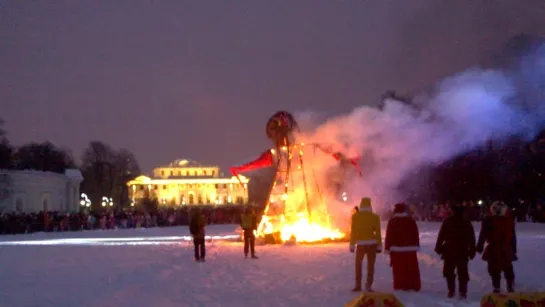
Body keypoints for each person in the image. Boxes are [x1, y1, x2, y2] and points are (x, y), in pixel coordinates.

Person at [435, 203, 476, 299]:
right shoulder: (466, 223)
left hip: (450, 250)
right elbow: (472, 239)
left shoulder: (448, 222)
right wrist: (472, 250)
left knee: (449, 272)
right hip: (462, 251)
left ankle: (451, 290)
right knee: (462, 272)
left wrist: (438, 247)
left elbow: (441, 236)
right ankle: (462, 292)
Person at [476, 201, 515, 293]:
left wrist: (479, 246)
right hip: (503, 249)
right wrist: (513, 248)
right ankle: (507, 288)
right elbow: (513, 236)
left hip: (496, 249)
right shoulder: (508, 221)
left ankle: (501, 288)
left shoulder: (489, 220)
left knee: (497, 269)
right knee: (505, 269)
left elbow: (483, 234)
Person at [385, 203, 421, 292]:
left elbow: (389, 235)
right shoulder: (410, 220)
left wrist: (387, 247)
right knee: (411, 268)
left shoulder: (392, 221)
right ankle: (413, 285)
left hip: (397, 249)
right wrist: (416, 244)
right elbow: (415, 233)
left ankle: (400, 285)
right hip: (410, 248)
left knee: (399, 269)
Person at [349, 197, 382, 292]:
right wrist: (379, 245)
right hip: (372, 244)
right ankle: (368, 285)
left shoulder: (355, 217)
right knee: (371, 266)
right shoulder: (375, 217)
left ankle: (358, 285)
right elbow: (378, 233)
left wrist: (352, 245)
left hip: (360, 245)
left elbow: (353, 232)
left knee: (358, 265)